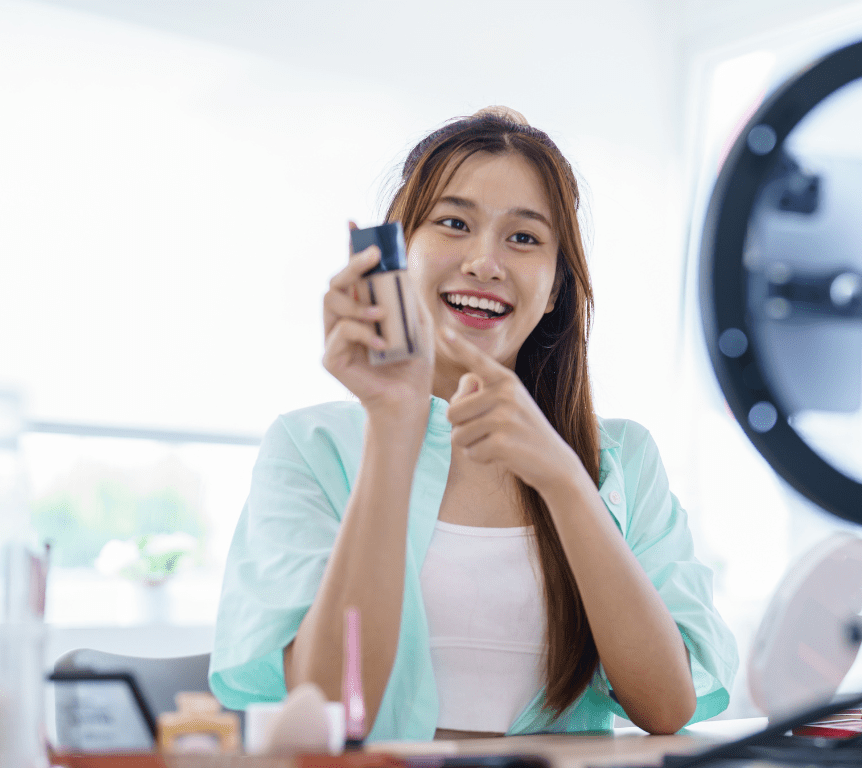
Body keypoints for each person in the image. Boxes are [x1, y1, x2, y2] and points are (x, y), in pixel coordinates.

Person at [210, 107, 737, 741]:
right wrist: (394, 423)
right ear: (397, 255)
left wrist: (566, 481)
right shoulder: (308, 447)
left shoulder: (622, 456)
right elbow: (335, 713)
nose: (486, 262)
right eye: (454, 224)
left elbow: (666, 708)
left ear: (555, 291)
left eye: (524, 238)